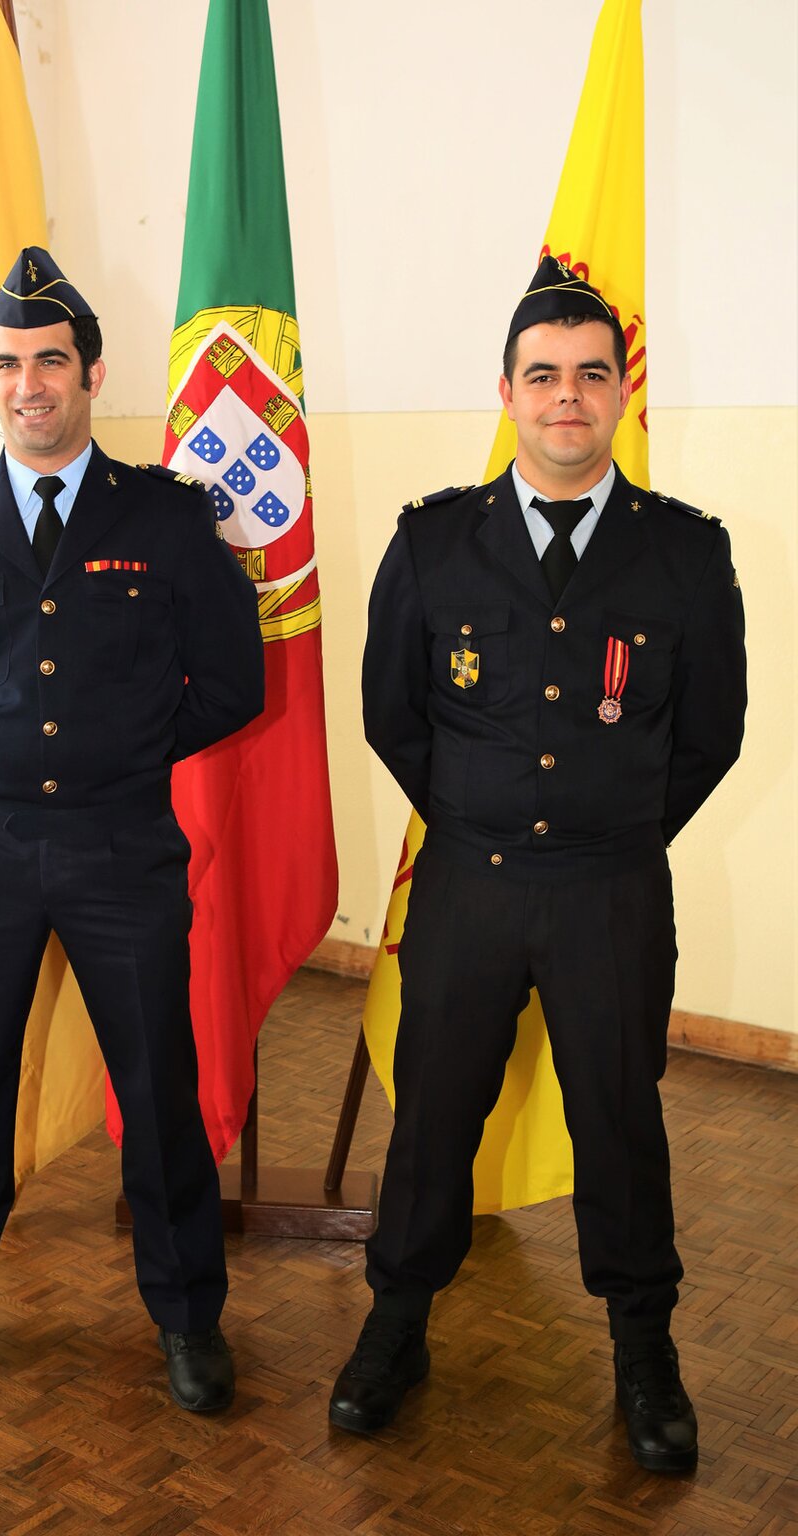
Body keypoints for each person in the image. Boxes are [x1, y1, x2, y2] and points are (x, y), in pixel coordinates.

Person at [329, 256, 746, 1472]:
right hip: (467, 884)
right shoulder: (432, 544)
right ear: (505, 391)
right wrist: (477, 816)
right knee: (433, 1113)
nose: (568, 396)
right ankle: (395, 1326)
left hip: (610, 891)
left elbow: (709, 733)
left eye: (591, 375)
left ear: (623, 392)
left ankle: (643, 1350)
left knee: (620, 1118)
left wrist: (610, 832)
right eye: (544, 375)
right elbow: (391, 715)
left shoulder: (683, 555)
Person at [0, 247, 264, 1412]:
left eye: (49, 360)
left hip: (118, 850)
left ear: (92, 373)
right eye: (6, 364)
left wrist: (118, 754)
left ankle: (188, 1320)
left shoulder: (170, 519)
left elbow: (231, 685)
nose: (27, 383)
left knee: (158, 1087)